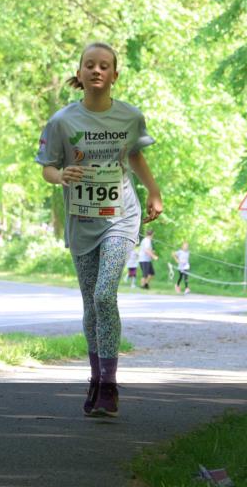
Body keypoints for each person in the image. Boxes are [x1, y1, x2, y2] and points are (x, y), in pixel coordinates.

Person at [36, 42, 162, 418]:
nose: (96, 70)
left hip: (121, 216)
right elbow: (47, 167)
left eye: (104, 66)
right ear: (79, 73)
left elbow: (135, 155)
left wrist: (154, 192)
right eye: (89, 65)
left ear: (114, 75)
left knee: (105, 294)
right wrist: (61, 174)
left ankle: (109, 386)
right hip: (82, 220)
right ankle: (96, 378)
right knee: (91, 304)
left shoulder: (129, 117)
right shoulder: (62, 121)